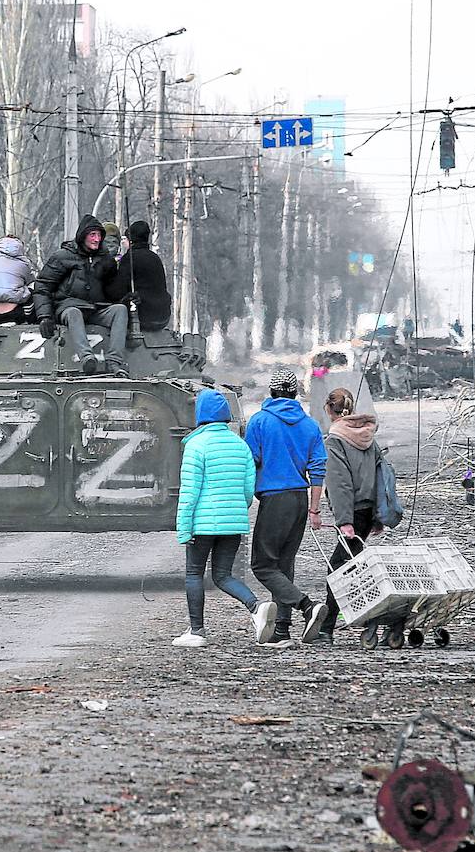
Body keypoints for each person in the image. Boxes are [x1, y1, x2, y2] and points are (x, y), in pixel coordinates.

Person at [172, 389, 278, 647]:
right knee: (223, 575)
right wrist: (234, 513)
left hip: (203, 524)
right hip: (233, 524)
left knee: (194, 573)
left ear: (200, 415)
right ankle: (255, 607)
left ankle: (197, 631)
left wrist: (184, 528)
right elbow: (246, 492)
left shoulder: (196, 445)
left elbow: (189, 492)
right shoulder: (240, 446)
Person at [244, 367, 329, 647]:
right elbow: (318, 469)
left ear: (271, 393)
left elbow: (251, 461)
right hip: (300, 499)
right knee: (284, 563)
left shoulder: (259, 422)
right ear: (295, 393)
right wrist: (314, 509)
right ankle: (281, 629)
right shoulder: (310, 426)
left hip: (274, 498)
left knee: (261, 565)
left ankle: (306, 606)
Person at [319, 388, 382, 644]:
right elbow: (381, 476)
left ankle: (328, 628)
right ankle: (359, 620)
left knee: (338, 569)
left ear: (328, 410)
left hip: (351, 513)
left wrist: (344, 521)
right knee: (350, 565)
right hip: (367, 511)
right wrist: (378, 514)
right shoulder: (367, 435)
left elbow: (339, 483)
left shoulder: (335, 439)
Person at [34, 214, 123, 375]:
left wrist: (127, 296)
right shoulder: (63, 256)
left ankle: (114, 361)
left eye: (99, 235)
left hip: (96, 308)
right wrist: (44, 317)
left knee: (120, 310)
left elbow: (113, 289)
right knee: (74, 313)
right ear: (83, 235)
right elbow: (43, 285)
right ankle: (87, 357)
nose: (97, 239)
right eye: (92, 235)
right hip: (68, 306)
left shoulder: (106, 260)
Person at [111, 220, 171, 332]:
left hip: (143, 317)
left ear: (131, 240)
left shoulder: (129, 258)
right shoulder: (155, 258)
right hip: (163, 316)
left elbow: (117, 291)